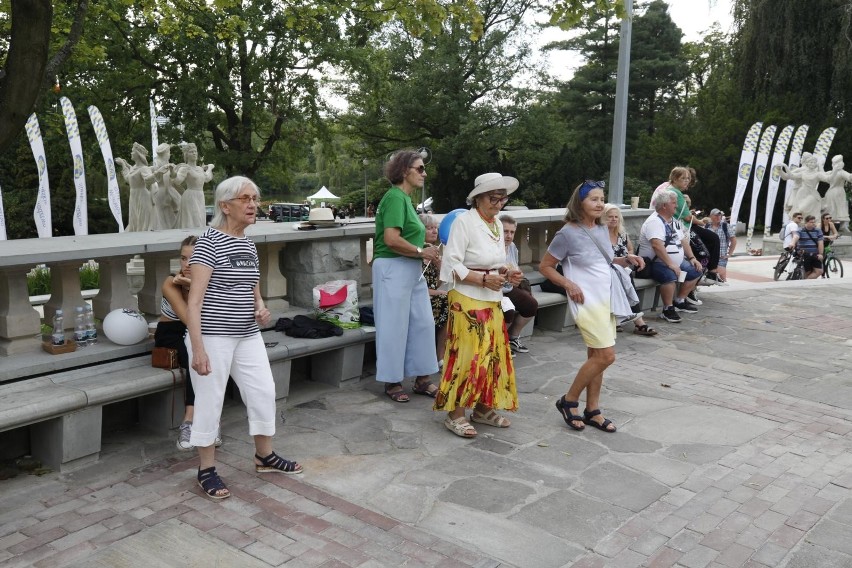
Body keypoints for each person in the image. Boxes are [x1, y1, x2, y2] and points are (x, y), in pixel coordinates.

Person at [186, 176, 302, 500]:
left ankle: (264, 457)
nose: (253, 204)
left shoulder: (248, 243)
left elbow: (251, 284)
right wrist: (198, 348)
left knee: (264, 390)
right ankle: (206, 469)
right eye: (245, 199)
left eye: (255, 198)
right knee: (210, 400)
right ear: (225, 206)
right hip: (213, 335)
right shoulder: (208, 242)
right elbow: (194, 300)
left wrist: (261, 306)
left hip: (247, 333)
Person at [539, 181, 643, 433]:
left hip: (606, 299)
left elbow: (604, 262)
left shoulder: (601, 229)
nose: (599, 204)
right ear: (580, 203)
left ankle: (592, 409)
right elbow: (545, 266)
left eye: (601, 199)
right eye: (593, 199)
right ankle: (569, 400)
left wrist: (625, 259)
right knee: (606, 356)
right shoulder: (567, 233)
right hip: (586, 302)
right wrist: (568, 284)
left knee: (596, 357)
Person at [435, 173, 522, 438]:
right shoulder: (464, 222)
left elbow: (498, 260)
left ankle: (483, 408)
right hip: (467, 297)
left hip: (492, 297)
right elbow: (451, 264)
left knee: (493, 355)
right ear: (478, 198)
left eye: (502, 199)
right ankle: (456, 414)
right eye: (493, 199)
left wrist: (509, 272)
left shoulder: (496, 224)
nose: (498, 204)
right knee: (468, 355)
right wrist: (482, 279)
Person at [372, 150, 441, 402]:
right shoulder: (394, 198)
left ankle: (422, 379)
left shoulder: (404, 200)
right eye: (419, 168)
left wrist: (424, 245)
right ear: (404, 171)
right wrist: (422, 251)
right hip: (392, 267)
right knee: (394, 326)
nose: (424, 173)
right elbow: (391, 240)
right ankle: (392, 382)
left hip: (409, 268)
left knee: (423, 323)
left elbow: (405, 236)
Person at [154, 236, 222, 451]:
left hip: (198, 330)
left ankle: (208, 423)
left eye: (194, 258)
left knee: (212, 354)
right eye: (183, 258)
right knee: (195, 353)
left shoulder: (208, 281)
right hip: (172, 332)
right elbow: (189, 318)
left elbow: (214, 317)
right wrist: (193, 287)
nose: (187, 264)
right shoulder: (170, 282)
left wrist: (196, 285)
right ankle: (190, 421)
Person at [636, 188, 704, 324]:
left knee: (696, 270)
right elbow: (657, 246)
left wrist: (692, 258)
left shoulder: (673, 221)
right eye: (674, 203)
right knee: (669, 276)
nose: (677, 205)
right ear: (664, 206)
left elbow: (683, 241)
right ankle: (668, 309)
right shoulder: (654, 222)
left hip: (672, 262)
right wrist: (671, 264)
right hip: (655, 263)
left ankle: (679, 301)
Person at [602, 204, 656, 336]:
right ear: (602, 217)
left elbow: (630, 249)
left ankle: (630, 321)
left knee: (624, 276)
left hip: (621, 268)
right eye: (610, 217)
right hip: (603, 270)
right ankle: (635, 322)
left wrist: (629, 260)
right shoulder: (599, 235)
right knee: (621, 278)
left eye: (616, 217)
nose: (614, 219)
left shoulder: (622, 234)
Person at [500, 214, 539, 353]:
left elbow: (515, 267)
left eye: (512, 232)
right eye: (505, 231)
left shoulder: (512, 247)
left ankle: (512, 338)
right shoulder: (492, 248)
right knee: (508, 311)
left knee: (531, 305)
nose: (509, 235)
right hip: (494, 289)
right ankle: (500, 344)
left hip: (510, 287)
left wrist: (519, 274)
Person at [419, 213, 448, 365]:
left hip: (432, 297)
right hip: (418, 297)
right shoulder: (416, 252)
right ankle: (435, 357)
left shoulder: (435, 251)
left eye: (436, 228)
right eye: (429, 228)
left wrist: (439, 267)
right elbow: (416, 286)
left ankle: (440, 356)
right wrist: (438, 292)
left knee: (449, 302)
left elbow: (437, 284)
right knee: (445, 300)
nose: (434, 231)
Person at [115, 142, 155, 232]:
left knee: (142, 219)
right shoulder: (134, 167)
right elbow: (127, 179)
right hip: (134, 196)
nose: (131, 153)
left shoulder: (144, 168)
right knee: (134, 219)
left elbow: (148, 179)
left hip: (142, 196)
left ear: (138, 154)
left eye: (133, 151)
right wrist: (124, 165)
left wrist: (158, 173)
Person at [175, 143, 214, 229]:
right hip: (190, 196)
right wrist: (172, 173)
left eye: (195, 151)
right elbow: (177, 181)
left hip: (200, 196)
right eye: (191, 152)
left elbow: (207, 178)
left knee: (200, 220)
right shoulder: (185, 168)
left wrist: (210, 168)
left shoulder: (199, 169)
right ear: (186, 155)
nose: (194, 153)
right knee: (193, 220)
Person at [781, 152, 822, 222]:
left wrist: (781, 170)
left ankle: (801, 223)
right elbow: (789, 176)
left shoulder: (802, 170)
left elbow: (786, 177)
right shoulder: (803, 171)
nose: (801, 158)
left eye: (802, 157)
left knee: (799, 210)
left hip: (803, 192)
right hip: (801, 192)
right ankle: (797, 223)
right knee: (797, 210)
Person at [150, 143, 181, 231]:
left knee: (176, 210)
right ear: (164, 153)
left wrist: (172, 170)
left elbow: (174, 177)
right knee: (162, 215)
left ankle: (174, 228)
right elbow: (157, 178)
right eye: (168, 152)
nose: (169, 154)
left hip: (171, 191)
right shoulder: (157, 164)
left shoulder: (170, 164)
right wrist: (161, 170)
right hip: (162, 191)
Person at [820, 155, 852, 231]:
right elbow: (822, 175)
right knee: (832, 208)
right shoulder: (833, 172)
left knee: (839, 208)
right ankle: (829, 224)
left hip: (837, 192)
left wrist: (820, 167)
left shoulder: (841, 172)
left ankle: (841, 225)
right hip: (833, 192)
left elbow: (850, 177)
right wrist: (820, 166)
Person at [708, 209, 736, 283]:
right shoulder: (707, 226)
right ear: (711, 216)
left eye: (719, 215)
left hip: (721, 256)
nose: (718, 217)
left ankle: (724, 288)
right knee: (709, 276)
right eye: (716, 215)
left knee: (721, 274)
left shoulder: (725, 226)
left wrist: (729, 254)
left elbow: (733, 240)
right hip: (709, 256)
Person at [796, 214, 824, 279]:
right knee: (807, 272)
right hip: (805, 254)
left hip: (815, 254)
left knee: (819, 271)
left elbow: (820, 243)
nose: (813, 224)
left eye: (814, 222)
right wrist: (798, 250)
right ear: (806, 222)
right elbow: (796, 239)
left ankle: (805, 281)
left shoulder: (818, 230)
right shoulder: (800, 230)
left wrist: (821, 254)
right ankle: (805, 283)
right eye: (811, 222)